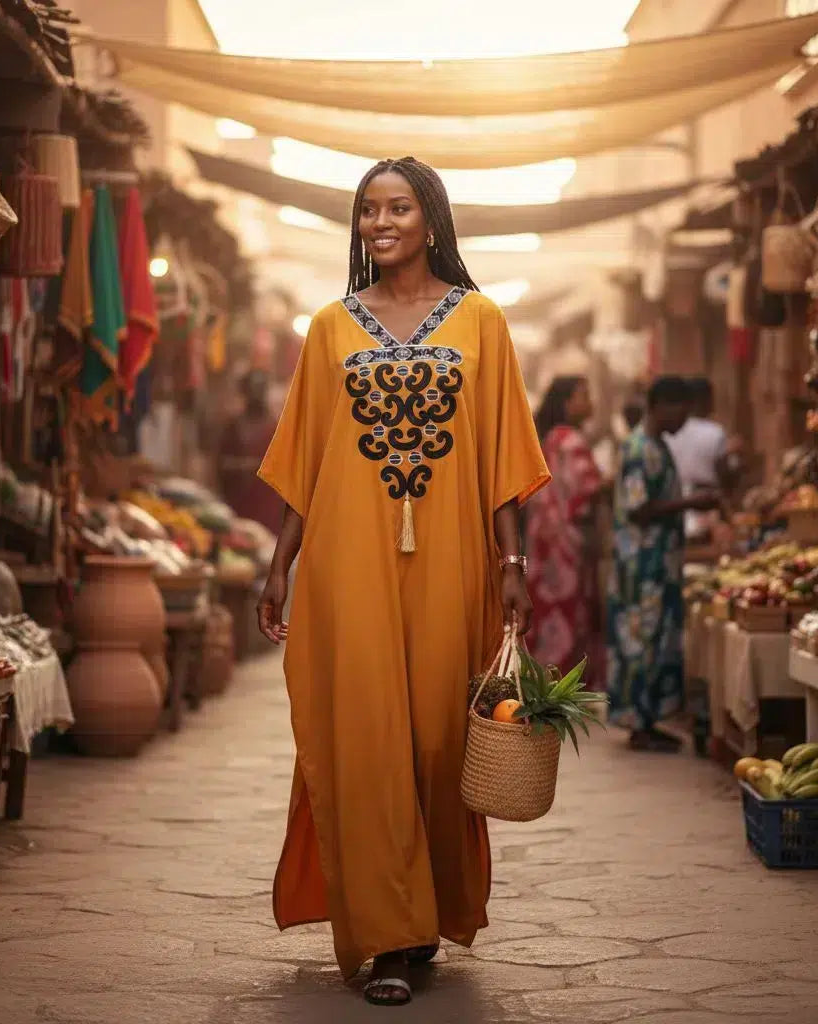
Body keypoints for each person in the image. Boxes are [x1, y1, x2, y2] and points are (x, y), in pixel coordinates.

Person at [255, 156, 549, 1006]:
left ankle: (425, 915)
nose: (380, 224)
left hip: (453, 557)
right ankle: (383, 937)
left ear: (431, 221)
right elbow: (304, 462)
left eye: (398, 208)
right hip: (349, 561)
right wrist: (281, 565)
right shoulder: (329, 329)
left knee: (435, 739)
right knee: (369, 737)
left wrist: (513, 564)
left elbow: (500, 457)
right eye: (367, 211)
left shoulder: (483, 322)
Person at [607, 376, 720, 752]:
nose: (685, 422)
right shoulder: (641, 448)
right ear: (661, 406)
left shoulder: (657, 445)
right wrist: (692, 504)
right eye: (682, 412)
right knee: (642, 641)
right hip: (643, 568)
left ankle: (650, 720)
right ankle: (639, 723)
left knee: (654, 641)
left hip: (658, 564)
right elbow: (639, 509)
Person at [525, 376, 605, 690]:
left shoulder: (548, 438)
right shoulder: (572, 441)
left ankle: (543, 683)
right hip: (568, 546)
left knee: (548, 615)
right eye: (584, 396)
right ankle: (565, 687)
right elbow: (588, 491)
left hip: (543, 544)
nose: (590, 404)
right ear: (567, 402)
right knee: (571, 614)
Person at [664, 377, 728, 545]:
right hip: (705, 506)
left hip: (674, 507)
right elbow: (725, 476)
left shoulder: (669, 433)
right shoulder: (715, 432)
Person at [217, 369, 282, 534]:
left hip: (268, 512)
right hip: (239, 508)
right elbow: (220, 465)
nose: (255, 396)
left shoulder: (277, 428)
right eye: (251, 390)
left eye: (259, 390)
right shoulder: (232, 427)